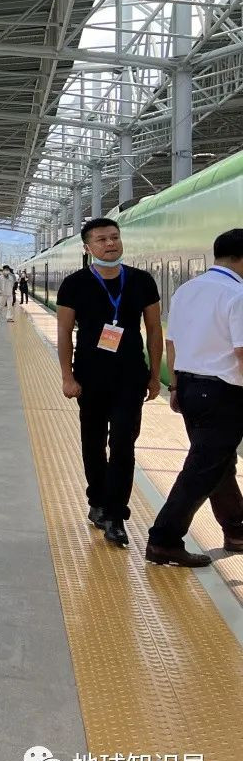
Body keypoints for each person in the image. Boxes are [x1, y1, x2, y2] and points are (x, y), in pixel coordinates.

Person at [56, 218, 162, 548]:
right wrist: (67, 377)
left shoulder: (142, 281)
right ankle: (97, 501)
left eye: (115, 237)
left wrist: (155, 375)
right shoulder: (74, 284)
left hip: (130, 376)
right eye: (101, 239)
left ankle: (116, 516)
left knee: (123, 444)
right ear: (88, 247)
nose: (110, 244)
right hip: (90, 377)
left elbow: (154, 330)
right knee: (93, 442)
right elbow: (63, 333)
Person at [146, 229, 243, 567]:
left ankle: (236, 530)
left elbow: (172, 342)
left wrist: (175, 386)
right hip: (223, 393)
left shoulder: (186, 290)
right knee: (202, 469)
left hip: (190, 386)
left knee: (219, 464)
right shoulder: (237, 294)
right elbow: (242, 352)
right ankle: (164, 540)